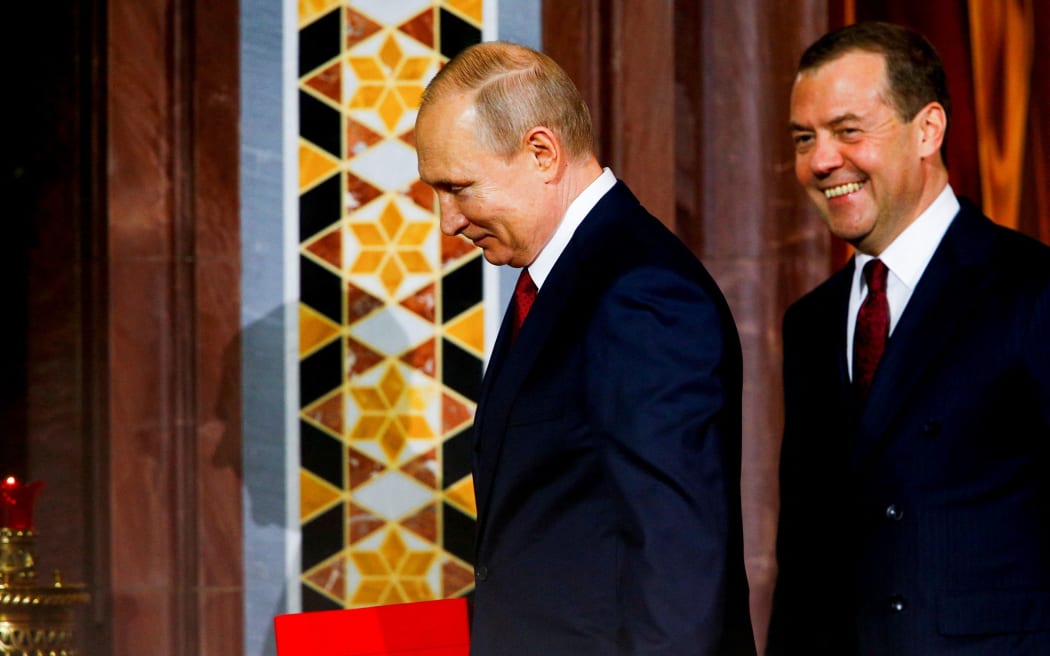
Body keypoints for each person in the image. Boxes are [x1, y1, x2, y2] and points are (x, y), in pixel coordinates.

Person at [415, 41, 755, 656]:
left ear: (541, 152)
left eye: (458, 188)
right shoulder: (560, 280)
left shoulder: (641, 293)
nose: (448, 222)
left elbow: (676, 564)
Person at [767, 21, 1050, 656]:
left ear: (928, 130)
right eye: (803, 139)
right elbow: (804, 556)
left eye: (848, 131)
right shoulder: (810, 322)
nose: (820, 161)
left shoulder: (1030, 290)